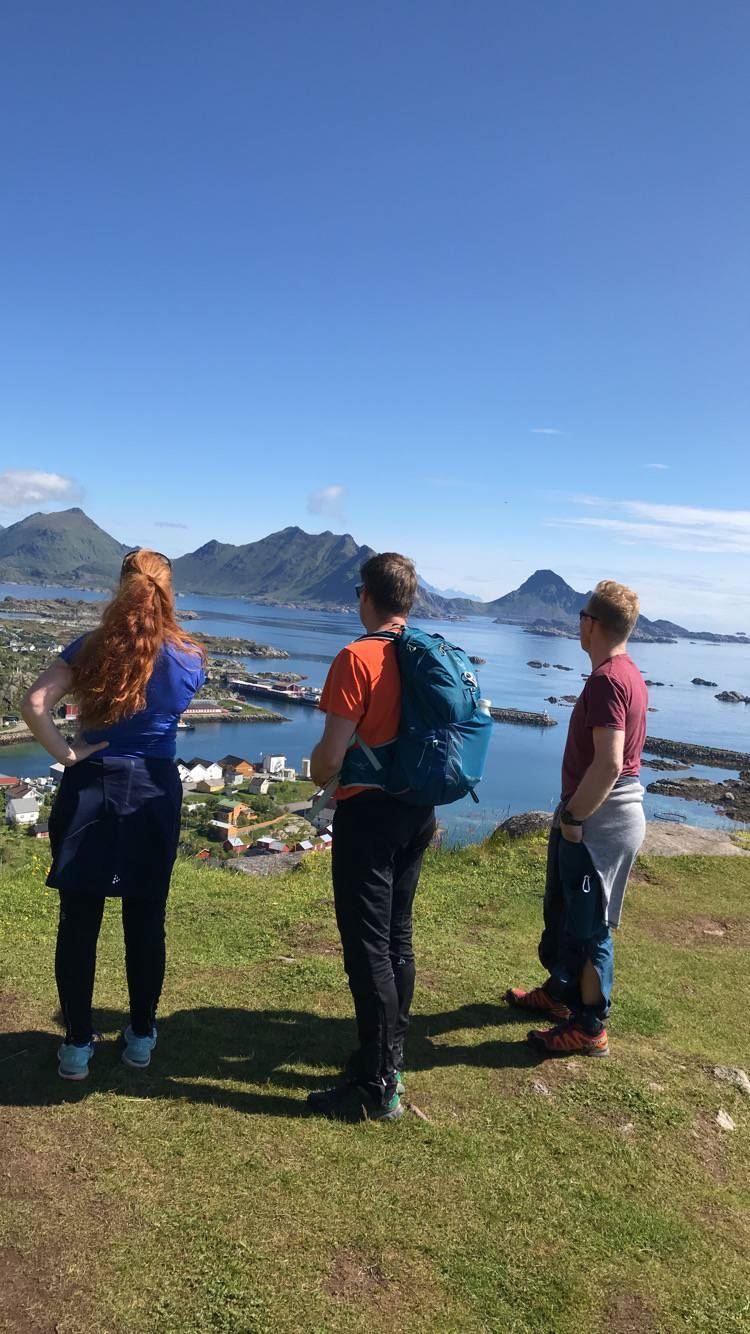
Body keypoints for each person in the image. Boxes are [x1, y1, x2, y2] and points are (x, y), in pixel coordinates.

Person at [21, 549, 205, 1080]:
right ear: (169, 591)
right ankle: (142, 1036)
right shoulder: (190, 657)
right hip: (153, 792)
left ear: (121, 586)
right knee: (146, 918)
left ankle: (78, 1045)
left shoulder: (90, 647)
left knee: (79, 921)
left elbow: (34, 703)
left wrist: (67, 754)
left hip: (91, 789)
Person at [306, 553, 436, 1121]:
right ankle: (387, 1056)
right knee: (397, 939)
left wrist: (317, 772)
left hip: (370, 817)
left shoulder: (356, 658)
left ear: (366, 597)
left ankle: (379, 1084)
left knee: (367, 949)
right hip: (419, 812)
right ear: (408, 601)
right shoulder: (426, 653)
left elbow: (330, 758)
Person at [507, 580, 647, 1058]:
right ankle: (561, 994)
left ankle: (590, 1028)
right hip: (598, 815)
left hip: (598, 822)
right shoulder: (625, 672)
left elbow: (609, 763)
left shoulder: (609, 680)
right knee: (568, 916)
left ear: (592, 624)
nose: (577, 624)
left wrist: (572, 816)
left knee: (589, 929)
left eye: (581, 616)